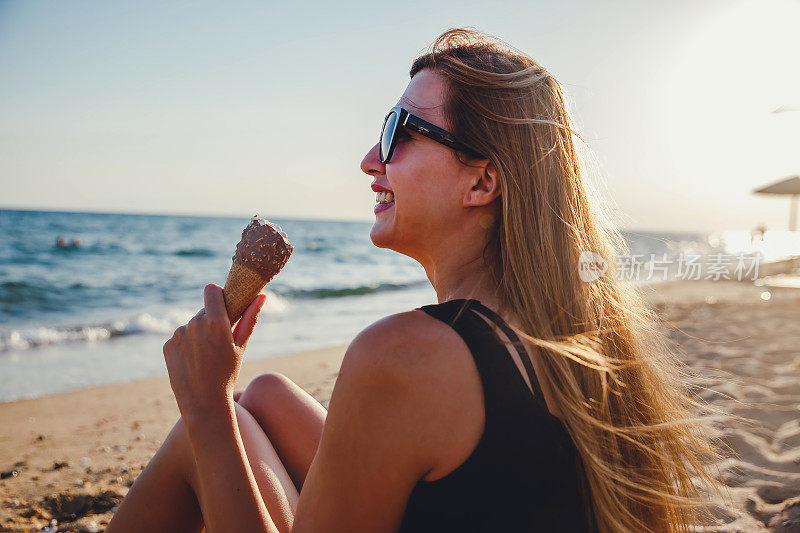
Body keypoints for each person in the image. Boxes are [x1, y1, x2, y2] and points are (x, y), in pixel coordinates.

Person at [106, 28, 727, 533]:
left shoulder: (406, 356)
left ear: (482, 182)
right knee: (265, 394)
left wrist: (207, 403)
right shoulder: (567, 329)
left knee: (214, 430)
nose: (370, 161)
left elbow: (216, 420)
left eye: (396, 134)